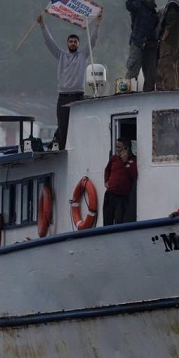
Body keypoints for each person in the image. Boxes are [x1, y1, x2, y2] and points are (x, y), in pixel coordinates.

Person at [36, 12, 102, 149]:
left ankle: (80, 148)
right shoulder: (60, 55)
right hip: (63, 97)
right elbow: (49, 42)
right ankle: (61, 150)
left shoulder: (83, 55)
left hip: (78, 96)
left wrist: (97, 24)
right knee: (63, 127)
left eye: (75, 42)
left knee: (79, 125)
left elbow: (93, 40)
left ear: (79, 43)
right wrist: (42, 25)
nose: (73, 43)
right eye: (70, 41)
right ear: (67, 43)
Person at [125, 0, 160, 92]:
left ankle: (147, 95)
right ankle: (125, 92)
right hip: (138, 43)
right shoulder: (139, 5)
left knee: (151, 75)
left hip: (150, 45)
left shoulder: (152, 9)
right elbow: (129, 4)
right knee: (133, 71)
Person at [157, 0, 179, 91]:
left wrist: (163, 39)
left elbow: (170, 24)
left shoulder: (173, 5)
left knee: (167, 67)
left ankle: (171, 90)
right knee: (176, 68)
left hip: (170, 42)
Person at [103, 137, 138, 226]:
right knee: (107, 219)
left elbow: (133, 175)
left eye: (119, 147)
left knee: (119, 220)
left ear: (126, 148)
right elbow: (107, 169)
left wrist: (125, 162)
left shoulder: (133, 160)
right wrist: (106, 181)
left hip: (122, 197)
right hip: (110, 194)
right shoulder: (114, 158)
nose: (117, 149)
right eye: (116, 147)